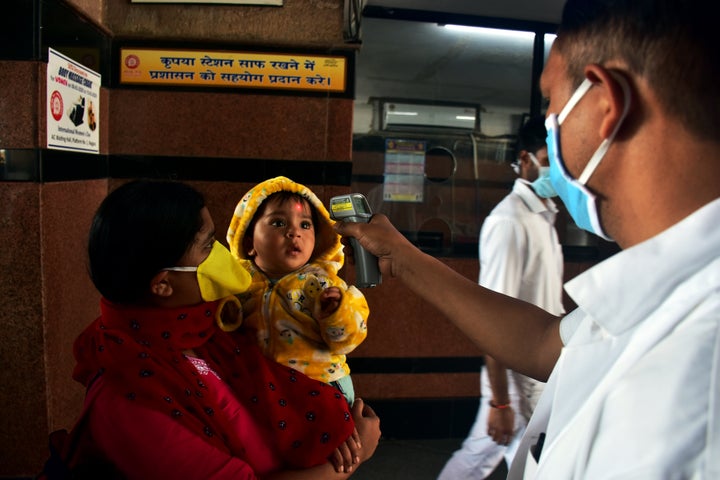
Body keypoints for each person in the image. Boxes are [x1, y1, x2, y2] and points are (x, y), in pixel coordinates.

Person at [335, 0, 720, 477]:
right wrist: (405, 258)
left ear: (606, 103)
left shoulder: (694, 383)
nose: (551, 125)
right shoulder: (660, 290)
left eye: (551, 102)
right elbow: (543, 343)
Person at [45, 179, 380, 479]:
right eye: (207, 246)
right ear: (163, 284)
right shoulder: (129, 402)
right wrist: (352, 458)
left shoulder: (206, 329)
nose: (222, 255)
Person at [438, 116, 565, 480]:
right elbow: (490, 316)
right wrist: (501, 401)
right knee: (487, 458)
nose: (556, 168)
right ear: (525, 160)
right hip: (515, 380)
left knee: (510, 462)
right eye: (548, 158)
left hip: (538, 374)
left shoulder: (542, 217)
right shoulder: (510, 222)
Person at [226, 176, 370, 406]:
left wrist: (336, 312)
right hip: (261, 391)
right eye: (278, 223)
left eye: (305, 224)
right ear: (248, 242)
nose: (295, 232)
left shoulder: (322, 284)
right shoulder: (236, 284)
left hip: (320, 388)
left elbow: (348, 341)